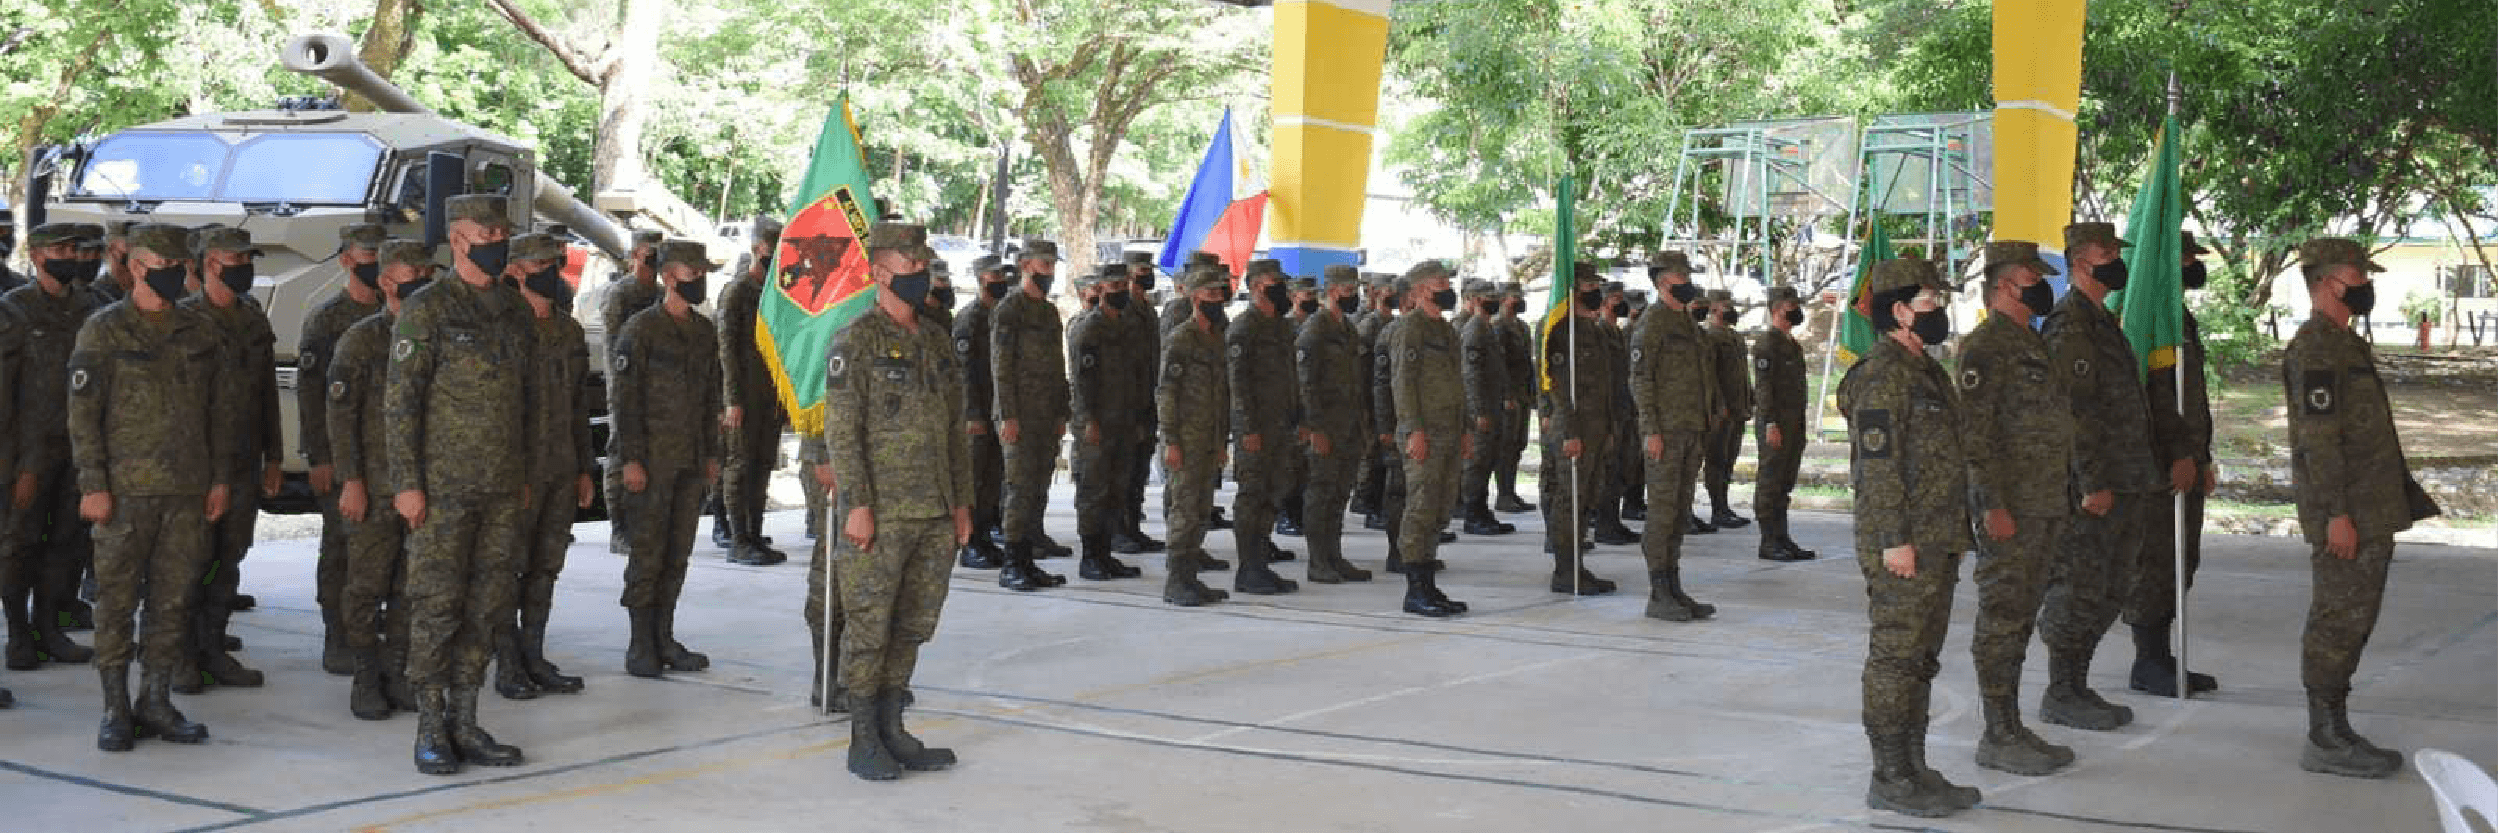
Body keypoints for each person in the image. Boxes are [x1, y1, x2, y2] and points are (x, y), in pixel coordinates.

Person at [386, 195, 536, 774]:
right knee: (436, 605)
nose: (498, 239)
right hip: (442, 488)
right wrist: (407, 482)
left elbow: (525, 403)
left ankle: (466, 719)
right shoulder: (427, 309)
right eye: (486, 231)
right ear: (458, 240)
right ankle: (429, 724)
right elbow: (401, 404)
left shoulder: (514, 310)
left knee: (488, 604)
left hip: (500, 485)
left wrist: (522, 473)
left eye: (502, 230)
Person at [68, 222, 231, 751]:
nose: (175, 278)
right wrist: (93, 484)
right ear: (136, 267)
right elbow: (83, 416)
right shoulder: (103, 330)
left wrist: (219, 479)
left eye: (181, 269)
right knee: (115, 603)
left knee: (172, 600)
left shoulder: (200, 331)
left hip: (186, 490)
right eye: (163, 269)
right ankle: (116, 708)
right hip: (123, 492)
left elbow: (218, 414)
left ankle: (156, 700)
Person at [820, 221, 971, 781]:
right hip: (880, 513)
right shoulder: (854, 340)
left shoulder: (934, 338)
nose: (923, 276)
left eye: (926, 267)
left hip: (933, 509)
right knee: (869, 627)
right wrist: (857, 503)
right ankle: (863, 737)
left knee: (912, 625)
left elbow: (954, 429)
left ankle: (892, 726)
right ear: (881, 273)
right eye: (912, 268)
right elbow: (842, 430)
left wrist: (961, 502)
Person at [1837, 258, 1980, 818]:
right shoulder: (1881, 374)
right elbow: (1878, 468)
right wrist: (1894, 539)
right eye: (1929, 303)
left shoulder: (1926, 370)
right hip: (1903, 541)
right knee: (1897, 655)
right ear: (1898, 311)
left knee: (1921, 656)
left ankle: (1914, 766)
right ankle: (1890, 773)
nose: (1940, 312)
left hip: (1937, 536)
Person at [2284, 237, 2428, 780]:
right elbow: (2317, 441)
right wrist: (2335, 514)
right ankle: (2323, 736)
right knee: (2337, 620)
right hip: (2347, 514)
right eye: (2356, 277)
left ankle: (2336, 723)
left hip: (2372, 508)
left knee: (2355, 619)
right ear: (2325, 283)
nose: (2365, 286)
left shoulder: (2345, 344)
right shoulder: (2316, 349)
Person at [805, 223, 937, 712]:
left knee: (883, 593)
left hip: (896, 478)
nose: (919, 269)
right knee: (836, 578)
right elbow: (815, 386)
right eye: (910, 259)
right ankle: (829, 676)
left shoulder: (915, 322)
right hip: (846, 465)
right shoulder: (838, 303)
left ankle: (873, 685)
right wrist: (819, 452)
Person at [1956, 241, 2078, 775]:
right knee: (2003, 615)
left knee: (2022, 615)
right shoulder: (1986, 348)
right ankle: (1998, 732)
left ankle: (2011, 723)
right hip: (2011, 509)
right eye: (2033, 276)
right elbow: (1975, 437)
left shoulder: (2029, 344)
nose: (2042, 285)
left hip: (2044, 503)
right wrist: (1991, 504)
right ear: (2006, 285)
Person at [2036, 221, 2157, 733]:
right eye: (2107, 253)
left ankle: (2078, 683)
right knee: (2081, 585)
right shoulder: (2070, 324)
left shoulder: (2101, 320)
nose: (2116, 260)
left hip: (2126, 477)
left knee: (2112, 586)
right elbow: (2074, 410)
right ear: (2081, 261)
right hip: (2096, 485)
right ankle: (2061, 689)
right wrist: (2090, 481)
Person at [485, 232, 594, 701]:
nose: (553, 272)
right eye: (542, 264)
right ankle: (507, 663)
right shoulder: (504, 328)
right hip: (518, 473)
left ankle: (534, 654)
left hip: (561, 468)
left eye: (556, 263)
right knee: (506, 568)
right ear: (517, 271)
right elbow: (494, 412)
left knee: (546, 566)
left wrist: (584, 468)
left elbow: (577, 407)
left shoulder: (568, 331)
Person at [329, 239, 434, 719]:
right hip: (373, 482)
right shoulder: (361, 340)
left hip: (422, 483)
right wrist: (351, 480)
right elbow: (340, 417)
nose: (424, 282)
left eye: (428, 272)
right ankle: (366, 675)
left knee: (411, 585)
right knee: (367, 585)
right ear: (387, 281)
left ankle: (398, 672)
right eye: (414, 273)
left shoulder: (437, 336)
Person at [612, 240, 725, 679]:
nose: (698, 280)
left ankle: (664, 635)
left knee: (678, 552)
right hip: (652, 460)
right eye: (691, 273)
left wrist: (712, 454)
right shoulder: (640, 330)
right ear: (668, 276)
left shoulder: (702, 331)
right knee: (648, 552)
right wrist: (631, 460)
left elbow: (710, 395)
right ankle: (640, 642)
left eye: (701, 274)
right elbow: (625, 402)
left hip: (690, 460)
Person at [177, 226, 283, 692]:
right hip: (193, 466)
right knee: (187, 563)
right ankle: (180, 657)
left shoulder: (252, 318)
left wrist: (274, 455)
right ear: (210, 264)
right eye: (235, 260)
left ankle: (213, 648)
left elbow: (266, 393)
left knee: (229, 559)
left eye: (248, 259)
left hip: (243, 461)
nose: (245, 268)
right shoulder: (181, 321)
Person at [2125, 230, 2222, 697]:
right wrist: (2177, 456)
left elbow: (2192, 402)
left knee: (2182, 561)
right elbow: (2154, 398)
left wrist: (2201, 455)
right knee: (2157, 561)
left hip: (2187, 459)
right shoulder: (2151, 319)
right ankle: (2148, 661)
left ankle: (2162, 657)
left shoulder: (2180, 316)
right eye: (2185, 259)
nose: (2193, 266)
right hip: (2159, 466)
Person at [3, 223, 101, 672]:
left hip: (77, 449)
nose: (68, 257)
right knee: (19, 545)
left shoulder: (89, 308)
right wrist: (15, 464)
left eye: (72, 250)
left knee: (65, 543)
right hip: (30, 454)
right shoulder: (14, 310)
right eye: (58, 250)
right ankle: (19, 634)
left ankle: (49, 627)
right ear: (37, 255)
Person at [301, 223, 389, 676]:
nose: (374, 261)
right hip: (340, 456)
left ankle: (376, 632)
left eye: (380, 253)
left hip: (387, 460)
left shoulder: (398, 317)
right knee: (340, 546)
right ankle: (337, 633)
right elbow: (312, 394)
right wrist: (318, 456)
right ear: (346, 260)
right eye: (366, 254)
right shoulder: (327, 319)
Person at [1630, 252, 1716, 619]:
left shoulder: (1687, 324)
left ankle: (1674, 587)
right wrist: (1650, 429)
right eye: (1681, 277)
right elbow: (1640, 380)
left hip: (1691, 428)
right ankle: (1658, 592)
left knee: (1680, 509)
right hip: (1665, 431)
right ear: (1664, 281)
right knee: (1663, 512)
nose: (1687, 282)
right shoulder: (1652, 324)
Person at [1388, 262, 1470, 617]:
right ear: (1421, 290)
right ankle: (1415, 589)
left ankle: (1429, 582)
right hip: (1425, 433)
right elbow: (1402, 384)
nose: (1447, 287)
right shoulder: (1410, 328)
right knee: (1421, 508)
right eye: (1440, 283)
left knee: (1440, 507)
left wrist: (1464, 429)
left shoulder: (1447, 330)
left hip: (1450, 432)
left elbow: (1457, 385)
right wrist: (1413, 429)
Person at [990, 240, 1072, 591]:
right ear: (1025, 265)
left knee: (1039, 488)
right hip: (1019, 416)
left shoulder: (1049, 312)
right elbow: (1001, 366)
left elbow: (1057, 366)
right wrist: (1008, 414)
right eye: (1043, 265)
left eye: (1052, 265)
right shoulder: (1011, 309)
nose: (1049, 272)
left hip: (1045, 415)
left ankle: (1029, 557)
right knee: (1020, 489)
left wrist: (1061, 411)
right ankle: (1012, 562)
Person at [710, 216, 788, 567]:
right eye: (774, 250)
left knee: (762, 465)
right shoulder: (738, 291)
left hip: (769, 395)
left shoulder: (776, 293)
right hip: (742, 394)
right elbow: (725, 349)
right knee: (739, 466)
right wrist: (731, 400)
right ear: (758, 249)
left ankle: (755, 532)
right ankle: (738, 538)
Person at [1542, 263, 1624, 597]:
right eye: (1588, 285)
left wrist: (1606, 427)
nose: (1595, 291)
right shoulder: (1561, 329)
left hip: (1595, 427)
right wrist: (1570, 432)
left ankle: (1575, 563)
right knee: (1569, 500)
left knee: (1586, 498)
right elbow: (1558, 387)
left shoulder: (1591, 329)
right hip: (1573, 429)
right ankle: (1565, 569)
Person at [1158, 268, 1237, 607]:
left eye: (1220, 295)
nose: (1217, 301)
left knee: (1202, 507)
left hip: (1208, 439)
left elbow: (1221, 395)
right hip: (1186, 439)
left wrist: (1221, 441)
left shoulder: (1216, 338)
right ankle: (1177, 581)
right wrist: (1171, 440)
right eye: (1210, 295)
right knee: (1185, 509)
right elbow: (1166, 394)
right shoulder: (1181, 339)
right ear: (1194, 298)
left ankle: (1191, 576)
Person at [1225, 260, 1304, 595]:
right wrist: (1246, 429)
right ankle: (1248, 567)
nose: (1282, 288)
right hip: (1256, 427)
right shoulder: (1245, 328)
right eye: (1275, 281)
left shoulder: (1282, 327)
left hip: (1281, 425)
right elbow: (1237, 384)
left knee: (1273, 493)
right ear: (1257, 285)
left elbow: (1291, 378)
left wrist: (1299, 417)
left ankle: (1261, 560)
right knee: (1252, 495)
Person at [1065, 263, 1148, 581]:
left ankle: (1106, 553)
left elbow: (1137, 376)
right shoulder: (1089, 328)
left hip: (1124, 421)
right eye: (1114, 288)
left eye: (1123, 286)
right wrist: (1088, 420)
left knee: (1117, 489)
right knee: (1094, 490)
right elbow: (1082, 380)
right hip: (1097, 424)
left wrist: (1139, 417)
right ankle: (1090, 556)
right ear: (1100, 291)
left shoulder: (1128, 326)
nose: (1121, 293)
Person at [1295, 265, 1376, 584]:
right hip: (1326, 426)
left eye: (1354, 290)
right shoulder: (1315, 330)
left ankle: (1334, 555)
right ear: (1330, 292)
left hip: (1349, 426)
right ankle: (1318, 561)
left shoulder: (1347, 329)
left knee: (1340, 492)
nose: (1353, 296)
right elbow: (1305, 384)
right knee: (1321, 492)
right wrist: (1315, 429)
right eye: (1346, 291)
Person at [602, 229, 668, 555]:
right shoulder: (621, 294)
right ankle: (619, 529)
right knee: (620, 456)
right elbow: (616, 345)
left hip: (655, 388)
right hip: (625, 384)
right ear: (634, 256)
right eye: (647, 254)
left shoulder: (659, 293)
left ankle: (642, 526)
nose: (653, 261)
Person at [952, 255, 1011, 570]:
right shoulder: (970, 319)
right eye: (994, 276)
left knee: (992, 479)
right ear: (981, 280)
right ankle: (970, 544)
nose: (1000, 280)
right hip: (976, 414)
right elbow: (963, 373)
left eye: (1003, 274)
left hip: (996, 411)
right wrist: (972, 414)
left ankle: (985, 538)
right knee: (974, 481)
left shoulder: (999, 315)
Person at [1750, 285, 1815, 562]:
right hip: (1775, 423)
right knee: (1770, 481)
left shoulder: (1792, 344)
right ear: (1777, 309)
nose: (1796, 310)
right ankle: (1768, 541)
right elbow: (1764, 388)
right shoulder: (1768, 344)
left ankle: (1782, 537)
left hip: (1793, 423)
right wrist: (1770, 423)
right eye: (1791, 306)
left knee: (1784, 483)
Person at [1115, 252, 1168, 556]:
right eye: (1141, 270)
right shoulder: (1125, 310)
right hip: (1128, 401)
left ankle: (1133, 526)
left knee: (1138, 472)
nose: (1146, 275)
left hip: (1148, 397)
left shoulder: (1147, 310)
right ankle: (1118, 530)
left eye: (1149, 269)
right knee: (1123, 472)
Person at [1457, 280, 1515, 537]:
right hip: (1481, 410)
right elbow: (1471, 375)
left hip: (1493, 405)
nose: (1495, 300)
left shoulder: (1486, 328)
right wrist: (1478, 411)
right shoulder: (1474, 330)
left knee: (1488, 459)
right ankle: (1473, 513)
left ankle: (1482, 511)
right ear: (1475, 299)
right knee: (1477, 463)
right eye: (1488, 297)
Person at [1699, 289, 1753, 530]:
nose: (1731, 309)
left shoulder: (1735, 337)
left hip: (1738, 407)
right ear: (1713, 309)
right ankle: (1717, 507)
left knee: (1730, 458)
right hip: (1721, 411)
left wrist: (1748, 399)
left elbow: (1742, 373)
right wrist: (1719, 406)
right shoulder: (1710, 337)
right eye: (1726, 305)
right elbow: (1710, 376)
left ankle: (1725, 505)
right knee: (1716, 459)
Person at [1352, 276, 1398, 527]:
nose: (1393, 294)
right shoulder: (1369, 325)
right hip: (1369, 398)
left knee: (1384, 454)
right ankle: (1368, 504)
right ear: (1376, 293)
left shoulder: (1393, 322)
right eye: (1389, 290)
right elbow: (1361, 370)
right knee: (1373, 452)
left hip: (1386, 397)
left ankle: (1378, 504)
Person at [1494, 282, 1537, 513]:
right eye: (1514, 296)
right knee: (1506, 445)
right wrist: (1506, 394)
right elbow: (1498, 366)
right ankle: (1504, 494)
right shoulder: (1499, 327)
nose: (1519, 300)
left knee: (1519, 443)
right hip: (1509, 394)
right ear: (1502, 299)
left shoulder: (1521, 326)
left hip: (1522, 393)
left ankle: (1511, 491)